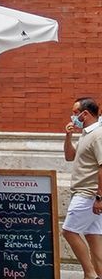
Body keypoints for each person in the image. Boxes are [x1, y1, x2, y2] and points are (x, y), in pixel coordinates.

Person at [61, 97, 102, 279]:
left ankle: (89, 273)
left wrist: (99, 197)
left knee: (69, 231)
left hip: (88, 194)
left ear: (85, 114)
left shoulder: (98, 135)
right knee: (94, 239)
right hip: (87, 194)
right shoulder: (86, 134)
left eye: (75, 113)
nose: (73, 117)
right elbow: (70, 157)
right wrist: (68, 136)